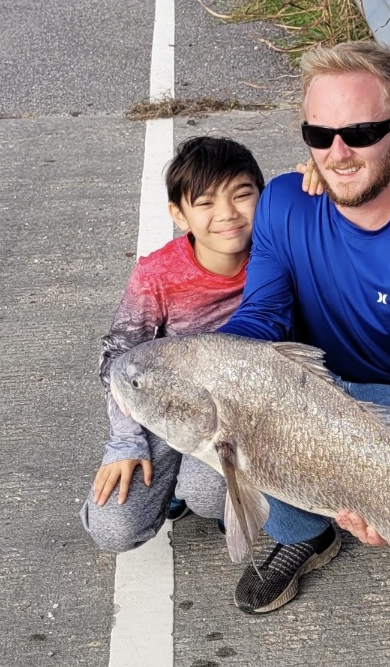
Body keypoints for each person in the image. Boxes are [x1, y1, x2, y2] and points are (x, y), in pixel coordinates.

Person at [218, 39, 390, 615]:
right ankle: (305, 532)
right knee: (254, 392)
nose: (337, 153)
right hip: (311, 387)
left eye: (359, 134)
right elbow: (263, 315)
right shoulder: (281, 201)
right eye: (319, 135)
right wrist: (212, 360)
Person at [80, 136, 264, 551]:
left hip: (236, 411)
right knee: (115, 528)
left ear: (263, 198)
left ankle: (193, 487)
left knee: (209, 493)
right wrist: (125, 443)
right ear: (179, 214)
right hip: (164, 410)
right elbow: (116, 359)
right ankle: (170, 484)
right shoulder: (158, 275)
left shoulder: (275, 256)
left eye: (242, 195)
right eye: (205, 203)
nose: (227, 214)